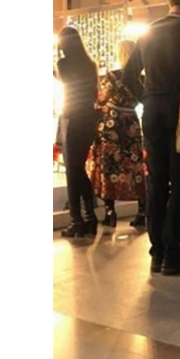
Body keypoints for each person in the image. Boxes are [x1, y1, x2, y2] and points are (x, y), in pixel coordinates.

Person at [122, 0, 180, 275]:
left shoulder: (148, 31)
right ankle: (172, 252)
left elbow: (128, 75)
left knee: (157, 182)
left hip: (152, 111)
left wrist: (147, 96)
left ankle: (157, 251)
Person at [88, 39, 146, 229]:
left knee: (109, 166)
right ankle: (142, 210)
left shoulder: (112, 76)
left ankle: (110, 211)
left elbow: (100, 100)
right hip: (131, 123)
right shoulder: (141, 79)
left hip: (111, 125)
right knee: (134, 165)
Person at [56, 26, 99, 237]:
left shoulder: (63, 64)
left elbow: (63, 81)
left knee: (72, 171)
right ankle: (89, 216)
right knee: (78, 168)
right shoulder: (90, 65)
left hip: (72, 118)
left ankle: (77, 220)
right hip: (88, 118)